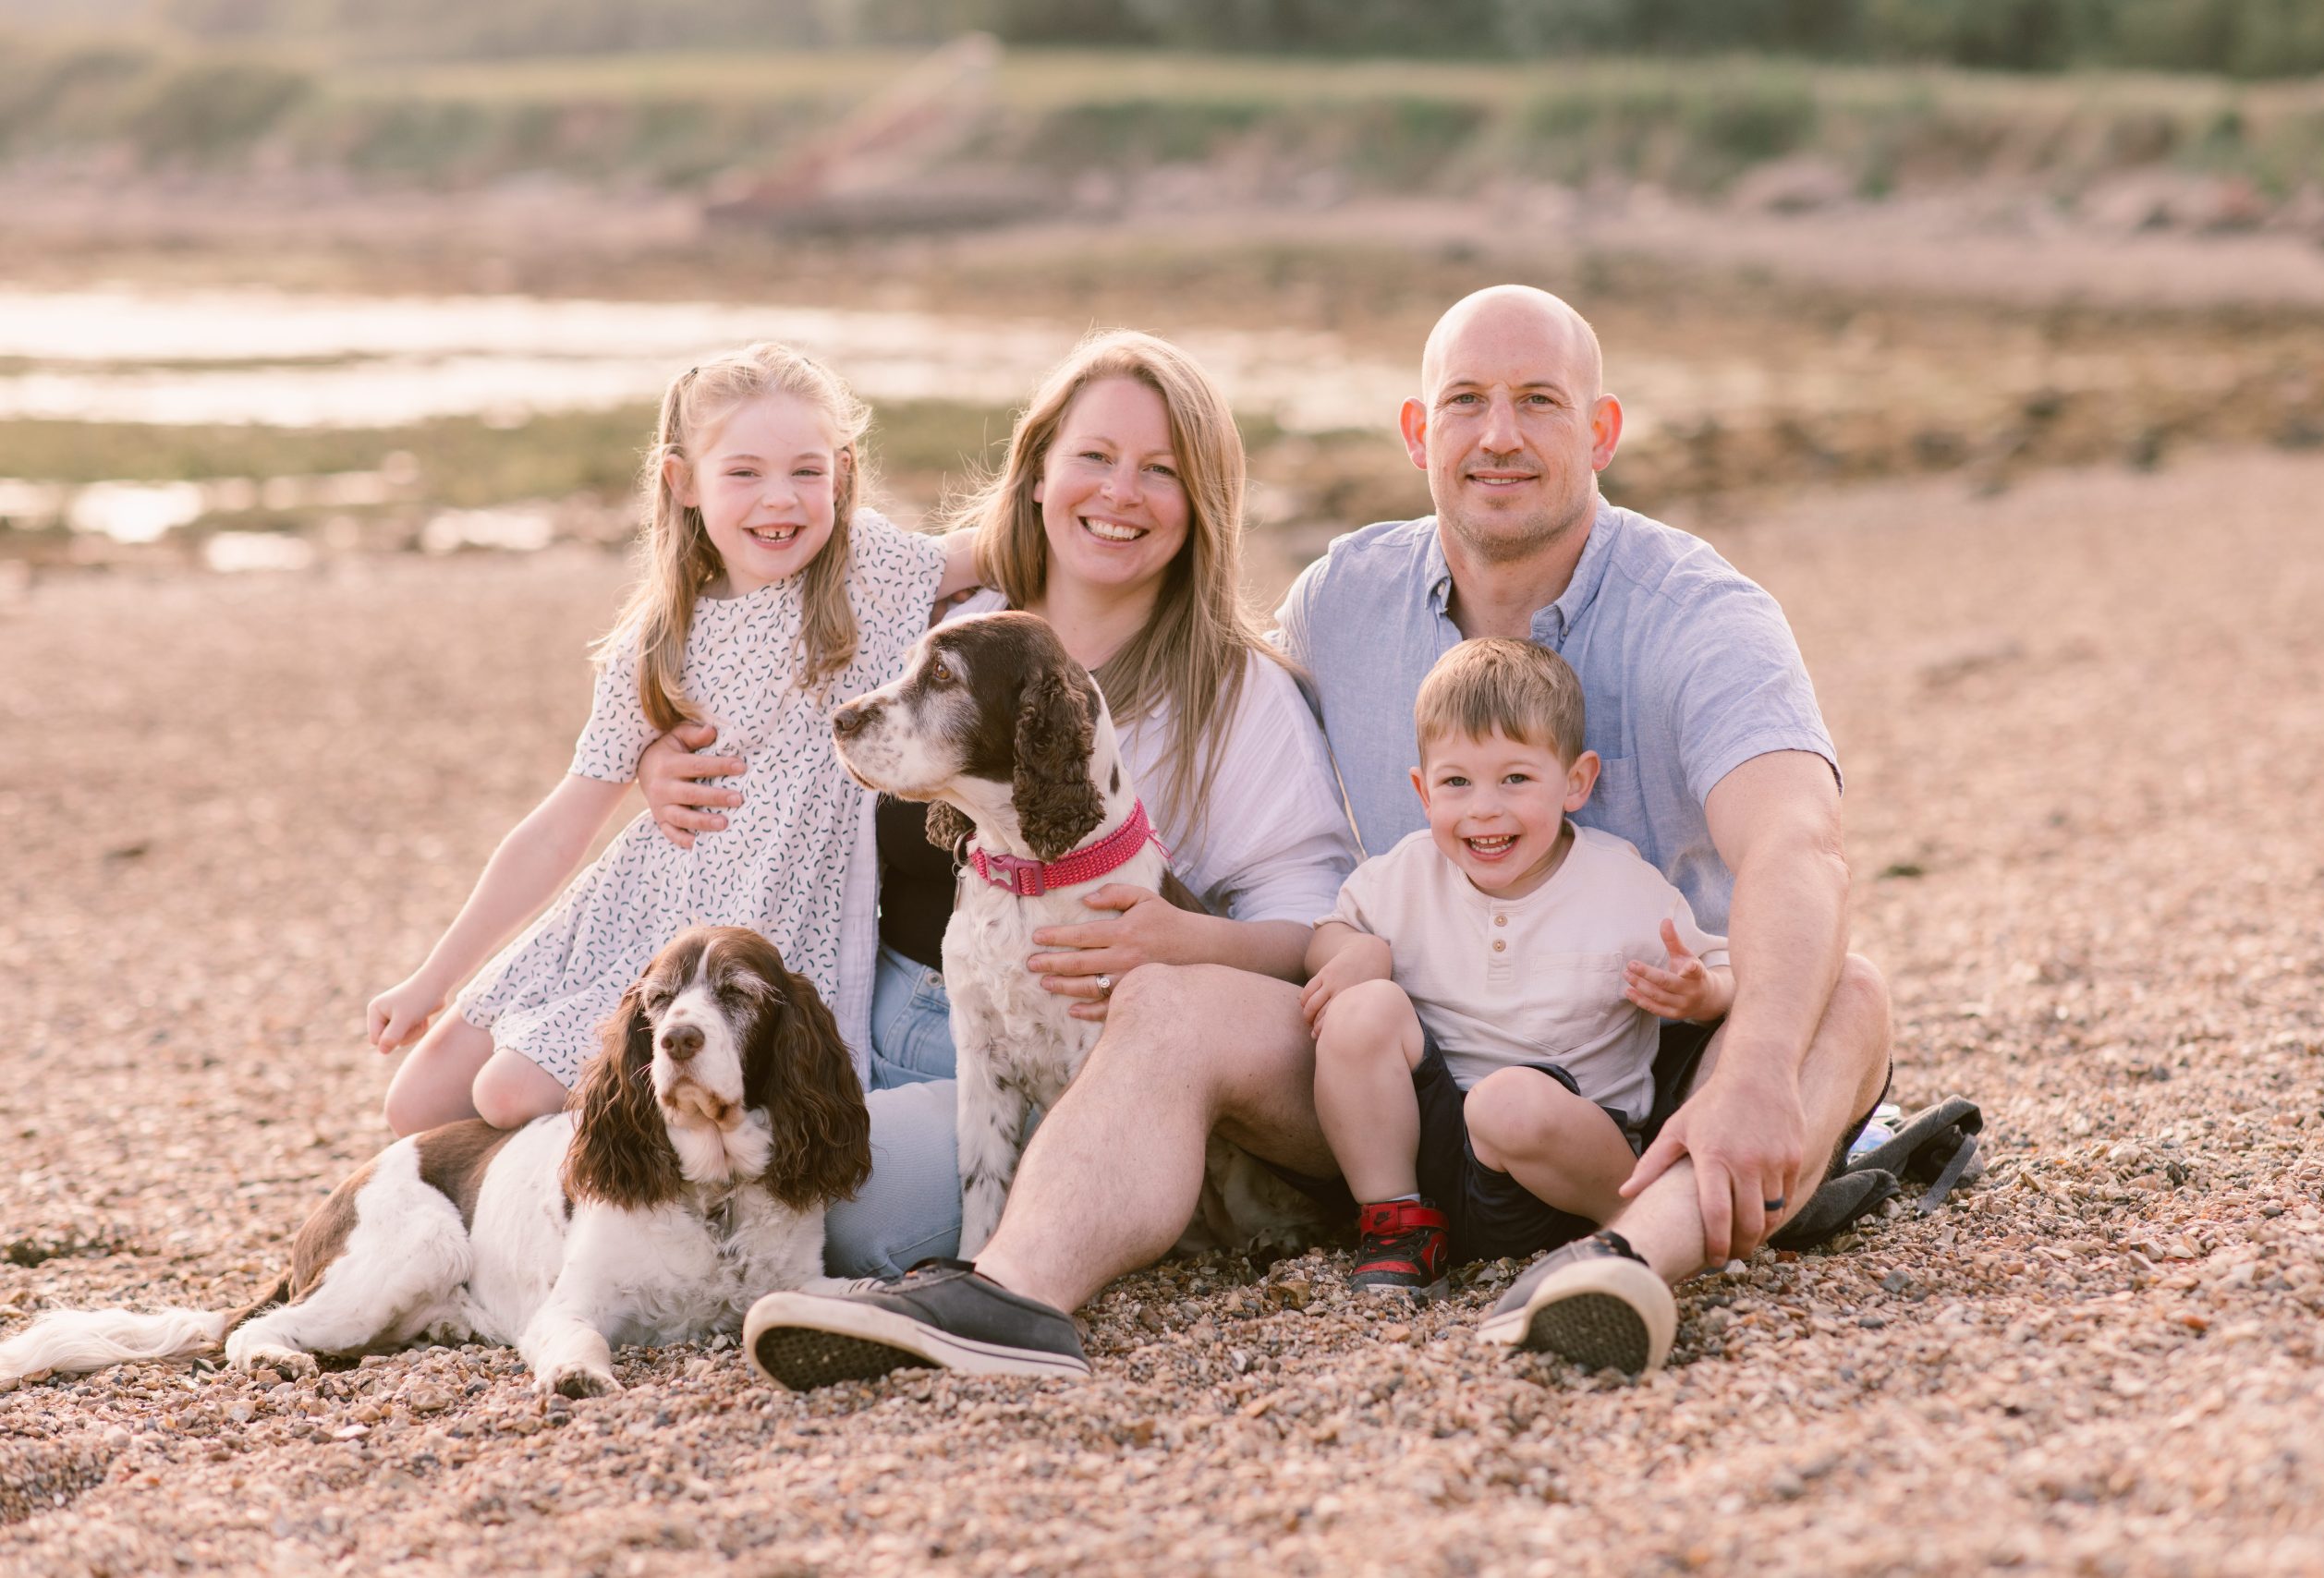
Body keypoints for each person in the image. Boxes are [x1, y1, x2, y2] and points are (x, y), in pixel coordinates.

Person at [738, 284, 1893, 1384]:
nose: (1499, 435)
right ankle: (1006, 1295)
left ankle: (1625, 1264)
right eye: (1464, 403)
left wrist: (1749, 1070)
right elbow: (1142, 588)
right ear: (1414, 431)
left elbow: (1798, 845)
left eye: (1538, 401)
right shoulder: (1347, 598)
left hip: (1650, 1059)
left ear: (1600, 429)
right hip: (1394, 1080)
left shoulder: (1698, 613)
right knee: (1170, 999)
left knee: (1853, 998)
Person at [634, 329, 1359, 1279]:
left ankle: (1054, 1230)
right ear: (1037, 473)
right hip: (858, 1006)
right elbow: (752, 650)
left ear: (1202, 503)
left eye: (1161, 470)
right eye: (1093, 457)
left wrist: (1195, 940)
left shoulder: (1236, 692)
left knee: (837, 1211)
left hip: (1079, 1060)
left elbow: (1312, 925)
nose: (1119, 492)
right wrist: (658, 749)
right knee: (638, 1137)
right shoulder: (936, 623)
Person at [368, 343, 962, 1135]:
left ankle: (598, 1206)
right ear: (683, 482)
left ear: (843, 475)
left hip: (744, 938)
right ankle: (522, 1203)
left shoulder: (871, 572)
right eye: (743, 473)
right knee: (413, 1105)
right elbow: (560, 827)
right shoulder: (658, 645)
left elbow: (1015, 542)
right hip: (628, 911)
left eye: (807, 471)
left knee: (506, 1094)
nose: (779, 501)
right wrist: (431, 977)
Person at [1303, 637, 1732, 1299]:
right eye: (1456, 782)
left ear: (1577, 781)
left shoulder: (1620, 885)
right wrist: (1353, 950)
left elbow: (1724, 970)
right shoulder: (1406, 877)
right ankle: (1397, 1226)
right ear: (1422, 790)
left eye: (1515, 779)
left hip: (1564, 1155)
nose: (1483, 808)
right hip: (1433, 1149)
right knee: (1362, 1007)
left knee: (1507, 1104)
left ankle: (1637, 1228)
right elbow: (1327, 940)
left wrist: (1700, 993)